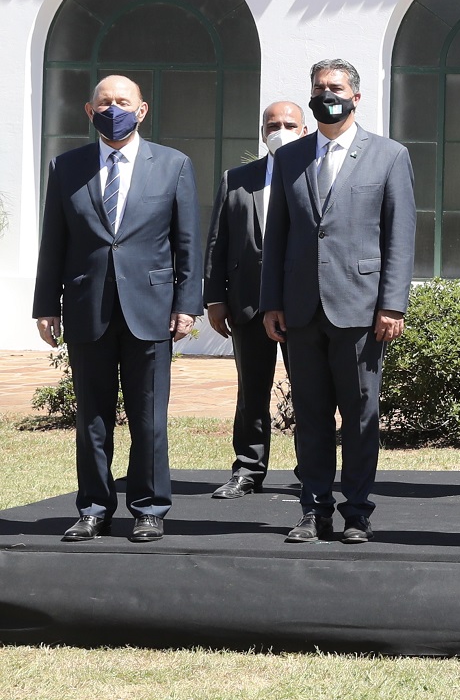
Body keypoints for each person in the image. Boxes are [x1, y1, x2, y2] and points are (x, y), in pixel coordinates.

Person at [33, 75, 200, 543]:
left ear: (141, 110)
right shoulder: (66, 168)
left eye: (122, 102)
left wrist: (187, 304)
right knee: (92, 416)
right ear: (89, 111)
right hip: (89, 307)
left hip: (150, 308)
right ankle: (93, 508)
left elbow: (186, 243)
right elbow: (54, 243)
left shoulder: (173, 165)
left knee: (149, 417)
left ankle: (149, 508)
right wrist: (47, 304)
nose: (113, 109)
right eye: (104, 103)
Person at [261, 59, 416, 546]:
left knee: (361, 413)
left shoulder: (389, 156)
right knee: (309, 416)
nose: (326, 93)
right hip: (302, 309)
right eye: (319, 87)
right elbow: (278, 235)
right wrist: (272, 302)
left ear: (356, 96)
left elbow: (401, 236)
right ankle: (313, 509)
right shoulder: (291, 158)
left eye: (336, 87)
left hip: (362, 309)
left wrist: (392, 304)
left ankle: (356, 511)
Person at [204, 100, 308, 499]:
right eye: (272, 124)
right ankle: (248, 469)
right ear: (262, 131)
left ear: (304, 130)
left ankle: (310, 469)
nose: (280, 130)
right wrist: (214, 298)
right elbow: (218, 241)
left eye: (289, 124)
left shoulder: (314, 174)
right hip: (248, 303)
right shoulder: (237, 178)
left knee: (309, 391)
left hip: (301, 304)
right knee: (251, 391)